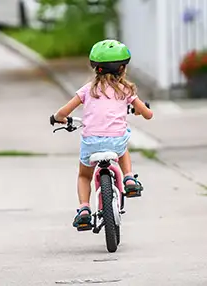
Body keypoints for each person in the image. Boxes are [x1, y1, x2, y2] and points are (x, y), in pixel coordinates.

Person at [49, 39, 153, 229]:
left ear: (95, 68)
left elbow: (63, 113)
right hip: (116, 142)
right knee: (123, 145)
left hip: (91, 143)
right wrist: (141, 110)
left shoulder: (87, 90)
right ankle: (129, 177)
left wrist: (58, 118)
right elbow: (148, 114)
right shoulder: (126, 90)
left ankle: (84, 210)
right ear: (122, 68)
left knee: (84, 176)